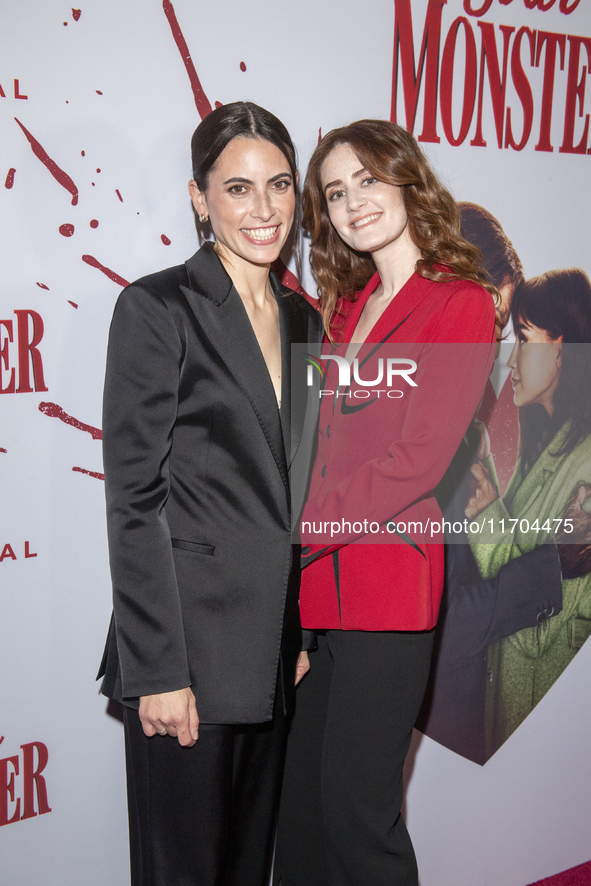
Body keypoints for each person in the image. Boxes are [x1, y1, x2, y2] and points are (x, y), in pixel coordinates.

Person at [96, 101, 323, 886]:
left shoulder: (306, 320)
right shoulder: (157, 308)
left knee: (243, 869)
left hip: (271, 655)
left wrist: (297, 632)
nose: (263, 209)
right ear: (199, 198)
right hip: (185, 654)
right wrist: (156, 667)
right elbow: (133, 500)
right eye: (237, 188)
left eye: (279, 185)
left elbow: (295, 487)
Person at [274, 120, 496, 886]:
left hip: (388, 593)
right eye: (335, 192)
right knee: (298, 809)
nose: (353, 202)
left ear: (407, 180)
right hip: (316, 595)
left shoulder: (459, 305)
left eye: (367, 179)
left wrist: (292, 531)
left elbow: (414, 464)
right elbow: (318, 450)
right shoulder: (344, 309)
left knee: (357, 814)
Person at [416, 202, 564, 765]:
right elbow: (433, 628)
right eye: (500, 317)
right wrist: (538, 578)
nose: (498, 343)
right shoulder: (424, 412)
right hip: (436, 724)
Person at [465, 268, 591, 758]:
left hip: (540, 737)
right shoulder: (552, 443)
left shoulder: (584, 468)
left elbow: (540, 617)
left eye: (521, 338)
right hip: (507, 717)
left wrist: (487, 510)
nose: (510, 359)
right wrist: (488, 489)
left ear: (562, 349)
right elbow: (516, 563)